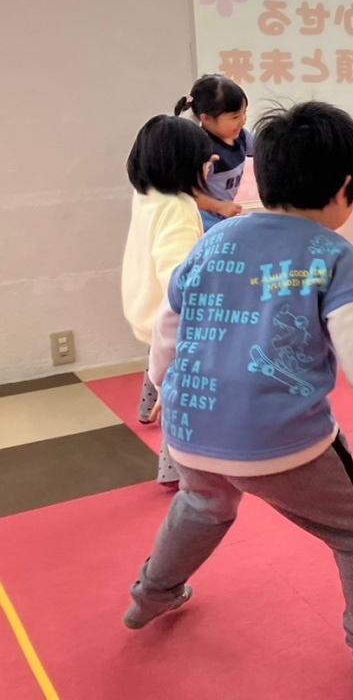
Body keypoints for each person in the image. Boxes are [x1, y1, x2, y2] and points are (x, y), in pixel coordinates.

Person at [124, 101, 353, 689]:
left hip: (191, 428)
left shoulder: (214, 240)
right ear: (344, 189)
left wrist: (165, 385)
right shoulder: (335, 256)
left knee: (201, 507)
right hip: (282, 440)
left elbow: (169, 327)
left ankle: (150, 595)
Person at [121, 115, 213, 485]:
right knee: (180, 394)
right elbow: (179, 278)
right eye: (204, 159)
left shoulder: (146, 195)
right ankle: (174, 473)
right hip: (168, 316)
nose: (210, 164)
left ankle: (147, 408)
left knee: (156, 361)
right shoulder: (178, 208)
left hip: (142, 306)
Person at [175, 74, 253, 230]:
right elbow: (188, 194)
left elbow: (265, 149)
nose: (243, 120)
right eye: (235, 117)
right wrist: (219, 207)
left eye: (244, 113)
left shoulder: (242, 136)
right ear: (206, 119)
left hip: (222, 217)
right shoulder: (202, 150)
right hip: (203, 221)